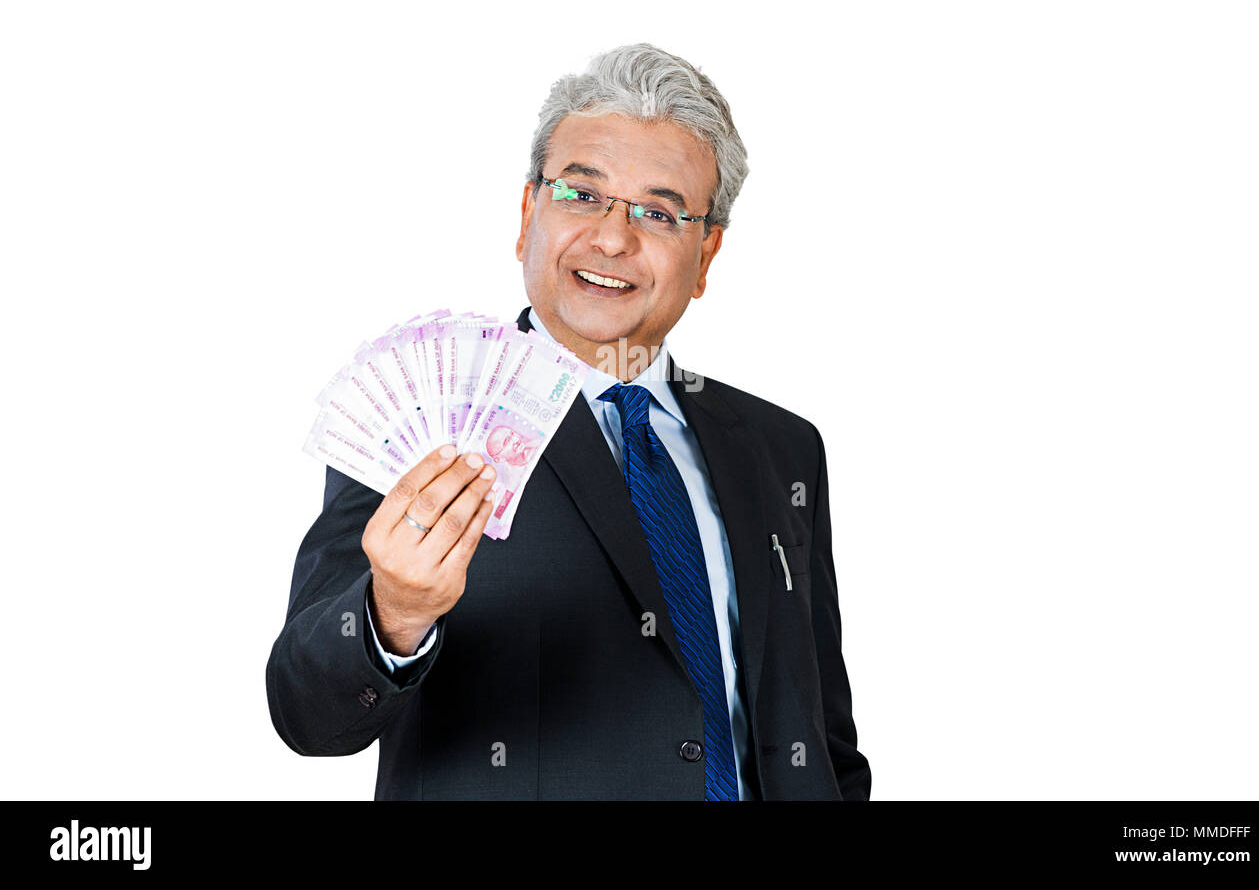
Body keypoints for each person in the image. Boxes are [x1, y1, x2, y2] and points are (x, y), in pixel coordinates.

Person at [266, 43, 871, 800]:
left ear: (706, 251)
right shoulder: (425, 419)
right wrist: (393, 613)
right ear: (528, 215)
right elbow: (306, 715)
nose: (613, 239)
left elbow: (824, 736)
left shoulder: (784, 449)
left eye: (658, 212)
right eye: (582, 196)